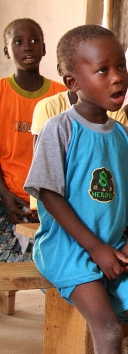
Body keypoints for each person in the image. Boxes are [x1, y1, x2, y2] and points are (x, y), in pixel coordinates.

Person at [23, 24, 128, 354]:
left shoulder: (123, 135)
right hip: (70, 246)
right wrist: (95, 248)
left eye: (120, 66)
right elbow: (49, 194)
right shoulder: (59, 129)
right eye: (103, 70)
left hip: (119, 245)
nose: (117, 77)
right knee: (108, 331)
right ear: (73, 82)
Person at [0, 18, 66, 262]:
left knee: (53, 262)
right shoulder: (2, 93)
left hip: (52, 199)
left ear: (44, 49)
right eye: (18, 42)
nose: (27, 47)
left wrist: (48, 202)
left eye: (34, 41)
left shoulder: (61, 95)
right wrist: (6, 197)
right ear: (7, 51)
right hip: (7, 197)